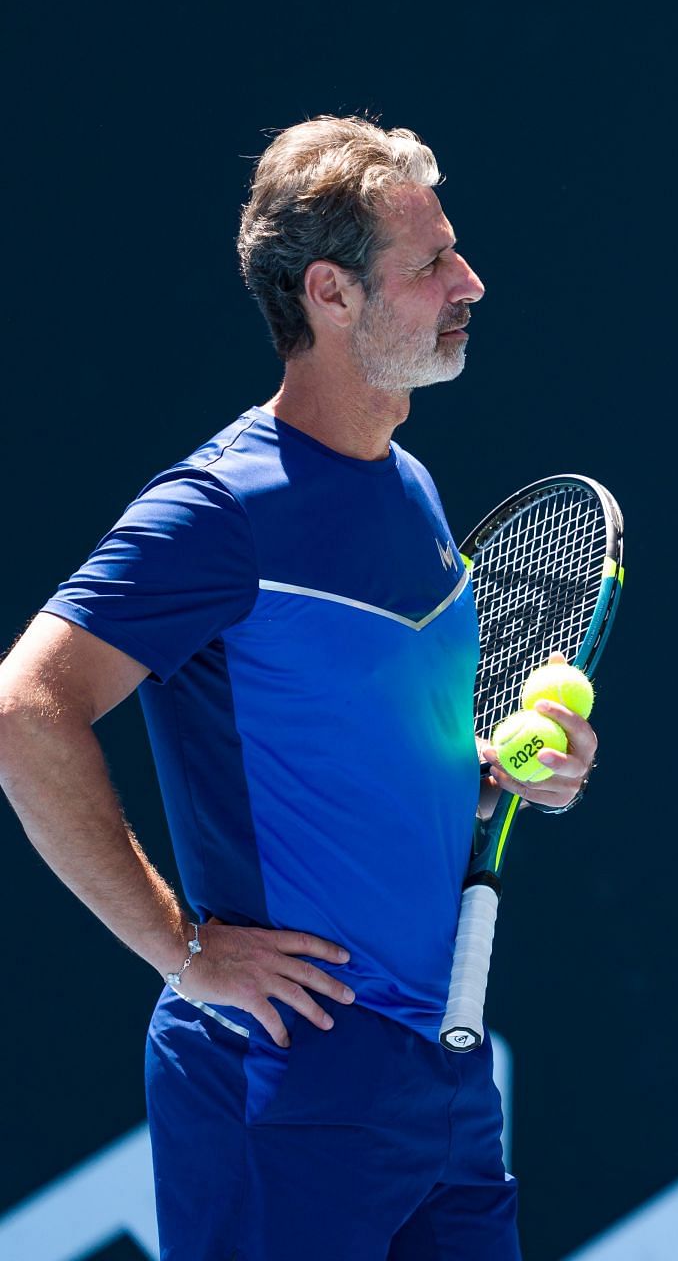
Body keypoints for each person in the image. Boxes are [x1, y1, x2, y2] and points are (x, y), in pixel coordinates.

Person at [0, 116, 596, 1258]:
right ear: (330, 292)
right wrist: (183, 948)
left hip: (440, 1076)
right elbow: (24, 709)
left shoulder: (411, 487)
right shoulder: (216, 512)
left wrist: (502, 775)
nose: (468, 282)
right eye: (429, 265)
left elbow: (361, 755)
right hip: (282, 1070)